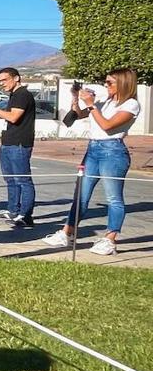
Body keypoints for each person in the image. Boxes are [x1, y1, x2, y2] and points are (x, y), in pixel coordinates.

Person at [42, 68, 142, 256]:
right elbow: (79, 114)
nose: (106, 85)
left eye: (110, 82)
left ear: (123, 83)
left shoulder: (131, 104)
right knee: (81, 194)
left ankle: (110, 239)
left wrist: (91, 105)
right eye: (106, 82)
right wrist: (76, 99)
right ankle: (67, 232)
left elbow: (107, 125)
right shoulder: (104, 102)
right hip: (93, 149)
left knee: (113, 197)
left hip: (112, 150)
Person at [0, 67, 37, 228]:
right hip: (8, 141)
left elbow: (13, 117)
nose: (1, 84)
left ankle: (26, 215)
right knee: (11, 180)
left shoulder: (22, 95)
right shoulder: (14, 95)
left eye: (4, 80)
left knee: (23, 180)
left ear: (16, 78)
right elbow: (9, 116)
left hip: (19, 143)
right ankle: (13, 210)